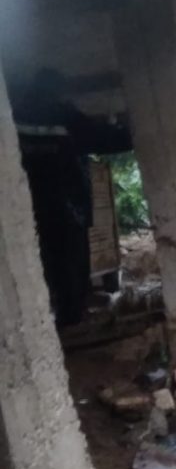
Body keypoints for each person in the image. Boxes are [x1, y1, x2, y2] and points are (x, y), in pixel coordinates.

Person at [14, 69, 132, 326]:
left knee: (49, 262)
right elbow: (102, 138)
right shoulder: (62, 115)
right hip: (68, 206)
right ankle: (72, 318)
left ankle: (61, 312)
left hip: (30, 208)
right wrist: (131, 130)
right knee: (72, 263)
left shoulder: (16, 115)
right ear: (57, 90)